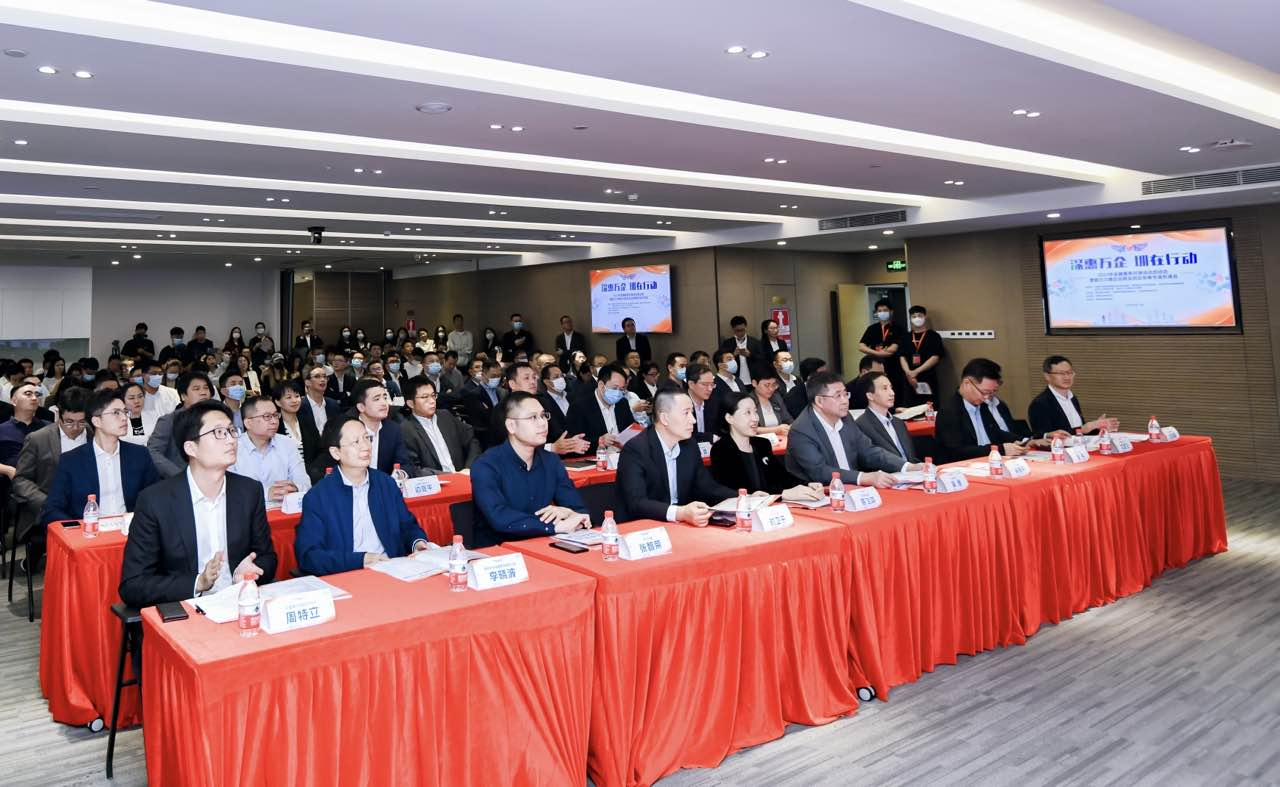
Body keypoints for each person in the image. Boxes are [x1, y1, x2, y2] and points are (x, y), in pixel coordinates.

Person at [119, 400, 276, 607]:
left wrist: (249, 573)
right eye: (219, 433)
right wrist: (198, 583)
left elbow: (267, 557)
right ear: (191, 448)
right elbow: (133, 585)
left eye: (231, 431)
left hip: (240, 602)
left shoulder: (249, 491)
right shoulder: (155, 501)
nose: (231, 440)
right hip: (186, 609)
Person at [295, 414, 432, 573]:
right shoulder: (318, 497)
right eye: (356, 442)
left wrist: (417, 542)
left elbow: (407, 525)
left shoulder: (386, 484)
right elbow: (310, 556)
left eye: (367, 438)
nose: (366, 446)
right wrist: (360, 560)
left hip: (393, 570)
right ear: (336, 452)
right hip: (348, 574)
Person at [469, 392, 590, 547]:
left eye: (543, 416)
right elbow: (499, 517)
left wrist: (569, 513)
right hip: (499, 551)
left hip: (544, 545)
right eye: (533, 417)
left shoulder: (551, 461)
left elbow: (579, 510)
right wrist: (554, 526)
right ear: (511, 426)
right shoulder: (486, 465)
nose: (543, 423)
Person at [615, 389, 737, 525]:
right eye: (686, 413)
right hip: (644, 527)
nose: (693, 420)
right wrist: (681, 513)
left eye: (692, 412)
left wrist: (743, 498)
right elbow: (637, 503)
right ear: (664, 419)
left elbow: (708, 487)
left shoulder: (689, 445)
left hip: (682, 525)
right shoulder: (636, 449)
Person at [41, 389, 161, 524]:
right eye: (116, 413)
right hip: (88, 532)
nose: (124, 418)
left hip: (131, 530)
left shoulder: (139, 455)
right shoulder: (71, 461)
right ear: (97, 421)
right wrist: (79, 529)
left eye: (125, 412)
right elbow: (52, 509)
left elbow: (156, 498)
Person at [785, 371, 920, 489]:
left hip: (853, 489)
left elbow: (868, 450)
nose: (845, 401)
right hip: (820, 495)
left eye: (845, 394)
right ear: (819, 401)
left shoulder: (845, 418)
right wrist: (864, 477)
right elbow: (820, 471)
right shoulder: (801, 430)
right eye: (838, 396)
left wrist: (908, 466)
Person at [11, 386, 89, 565]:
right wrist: (46, 502)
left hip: (87, 505)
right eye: (69, 422)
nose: (75, 428)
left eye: (81, 422)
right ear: (59, 415)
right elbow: (21, 479)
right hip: (49, 506)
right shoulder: (38, 439)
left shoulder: (94, 435)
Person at [711, 392, 823, 499]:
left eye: (755, 411)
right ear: (729, 418)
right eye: (748, 413)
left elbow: (781, 475)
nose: (755, 418)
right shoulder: (721, 450)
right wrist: (782, 494)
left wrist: (807, 484)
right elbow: (736, 492)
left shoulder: (762, 444)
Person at [934, 358, 1037, 462]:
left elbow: (995, 432)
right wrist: (1001, 449)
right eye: (984, 392)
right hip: (963, 466)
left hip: (989, 462)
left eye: (992, 392)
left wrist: (1022, 441)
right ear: (967, 383)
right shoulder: (949, 412)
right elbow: (958, 452)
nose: (987, 398)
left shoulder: (982, 405)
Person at [229, 395, 311, 503]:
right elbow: (231, 490)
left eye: (275, 415)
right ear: (248, 423)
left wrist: (295, 488)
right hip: (248, 510)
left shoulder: (287, 443)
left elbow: (304, 481)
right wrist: (266, 493)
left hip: (285, 509)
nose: (274, 421)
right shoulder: (232, 448)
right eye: (267, 416)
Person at [502, 362, 590, 455]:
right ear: (512, 384)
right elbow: (510, 446)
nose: (532, 382)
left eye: (534, 377)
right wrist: (551, 447)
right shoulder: (504, 409)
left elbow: (557, 433)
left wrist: (571, 443)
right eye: (526, 378)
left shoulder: (543, 402)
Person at [402, 376, 481, 474]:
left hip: (464, 475)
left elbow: (471, 440)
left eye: (433, 395)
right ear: (410, 403)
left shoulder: (445, 416)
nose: (432, 401)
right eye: (425, 397)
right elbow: (414, 469)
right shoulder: (406, 430)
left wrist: (469, 467)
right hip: (438, 480)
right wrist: (451, 477)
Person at [1028, 355, 1120, 437]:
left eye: (1070, 372)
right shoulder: (1040, 404)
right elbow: (1042, 437)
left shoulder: (1073, 398)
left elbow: (1080, 434)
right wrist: (1085, 428)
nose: (1067, 377)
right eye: (1061, 373)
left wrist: (1097, 427)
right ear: (1047, 376)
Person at [148, 371, 213, 478]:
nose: (203, 392)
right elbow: (153, 452)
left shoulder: (215, 419)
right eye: (196, 389)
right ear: (183, 396)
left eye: (206, 388)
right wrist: (180, 475)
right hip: (179, 479)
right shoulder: (169, 420)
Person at [567, 364, 636, 453]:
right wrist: (599, 441)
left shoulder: (622, 403)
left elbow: (631, 428)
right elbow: (575, 442)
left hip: (622, 455)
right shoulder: (579, 407)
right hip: (596, 456)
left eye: (621, 389)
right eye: (615, 388)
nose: (618, 393)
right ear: (601, 385)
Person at [854, 372, 920, 463]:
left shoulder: (898, 422)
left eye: (891, 387)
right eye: (885, 388)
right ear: (870, 396)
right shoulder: (861, 425)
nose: (892, 393)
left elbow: (911, 457)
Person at [0, 380, 52, 486]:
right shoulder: (2, 429)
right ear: (14, 400)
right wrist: (7, 470)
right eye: (28, 394)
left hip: (44, 484)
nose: (34, 398)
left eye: (37, 395)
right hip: (11, 485)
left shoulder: (49, 427)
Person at [859, 299, 907, 399]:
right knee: (877, 392)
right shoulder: (872, 328)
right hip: (875, 367)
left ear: (891, 312)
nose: (882, 313)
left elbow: (892, 349)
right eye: (879, 311)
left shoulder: (899, 328)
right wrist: (877, 353)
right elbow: (861, 346)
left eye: (885, 310)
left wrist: (873, 352)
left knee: (894, 393)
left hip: (894, 368)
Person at [899, 305, 946, 406]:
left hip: (927, 378)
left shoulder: (933, 336)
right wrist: (909, 373)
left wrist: (916, 372)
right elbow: (902, 356)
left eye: (919, 316)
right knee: (909, 407)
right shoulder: (906, 336)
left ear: (925, 317)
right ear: (910, 319)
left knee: (929, 407)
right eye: (914, 316)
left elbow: (935, 357)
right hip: (909, 380)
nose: (917, 318)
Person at [273, 379, 322, 472]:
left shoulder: (307, 421)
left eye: (297, 396)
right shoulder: (274, 426)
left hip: (311, 473)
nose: (294, 400)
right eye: (289, 397)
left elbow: (320, 449)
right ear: (278, 402)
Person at [462, 359, 505, 448]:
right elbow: (484, 418)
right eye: (493, 376)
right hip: (485, 439)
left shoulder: (501, 392)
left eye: (499, 376)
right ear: (483, 375)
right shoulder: (473, 395)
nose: (496, 379)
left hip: (502, 435)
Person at [718, 316, 760, 387]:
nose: (740, 333)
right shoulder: (727, 343)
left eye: (742, 330)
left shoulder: (755, 342)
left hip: (752, 379)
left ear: (746, 327)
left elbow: (762, 359)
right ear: (733, 329)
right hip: (734, 379)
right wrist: (733, 355)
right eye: (737, 330)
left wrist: (750, 355)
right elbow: (721, 360)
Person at [749, 369, 793, 436]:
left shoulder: (776, 397)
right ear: (754, 383)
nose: (771, 389)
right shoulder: (748, 401)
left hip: (780, 439)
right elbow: (748, 428)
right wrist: (776, 429)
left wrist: (791, 426)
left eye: (773, 385)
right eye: (767, 385)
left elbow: (788, 419)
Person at [685, 363, 721, 442]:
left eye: (712, 384)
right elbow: (684, 435)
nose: (710, 389)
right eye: (705, 384)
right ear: (691, 384)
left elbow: (718, 429)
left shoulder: (714, 402)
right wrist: (710, 437)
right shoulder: (681, 405)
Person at [538, 362, 573, 441]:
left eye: (561, 376)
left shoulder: (573, 396)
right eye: (556, 377)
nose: (561, 379)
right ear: (546, 382)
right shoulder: (542, 403)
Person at [301, 363, 340, 436]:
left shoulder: (333, 405)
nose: (323, 380)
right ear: (307, 382)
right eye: (317, 376)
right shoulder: (300, 407)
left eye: (325, 377)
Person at [119, 382, 158, 446]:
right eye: (131, 398)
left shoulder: (154, 416)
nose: (137, 401)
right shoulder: (119, 420)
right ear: (123, 401)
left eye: (140, 396)